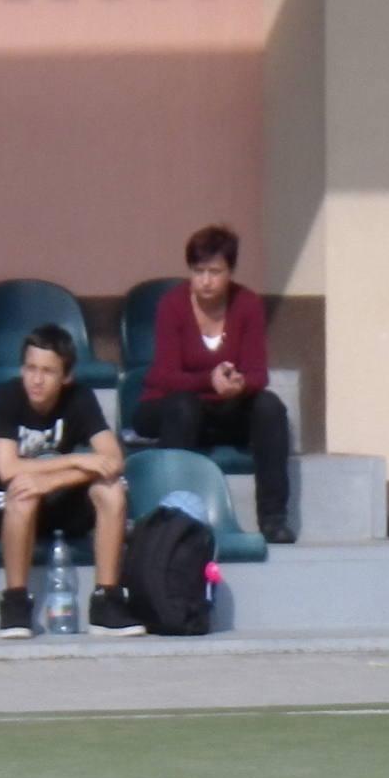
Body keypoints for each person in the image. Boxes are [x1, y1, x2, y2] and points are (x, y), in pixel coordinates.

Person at [0, 325, 143, 638]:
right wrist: (75, 460)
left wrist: (54, 481)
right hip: (13, 504)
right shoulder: (5, 395)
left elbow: (113, 459)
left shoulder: (80, 397)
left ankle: (106, 600)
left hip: (63, 500)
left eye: (48, 371)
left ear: (65, 377)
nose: (36, 380)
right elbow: (8, 468)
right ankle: (15, 601)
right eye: (30, 368)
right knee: (22, 489)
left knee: (111, 488)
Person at [133, 224, 294, 544]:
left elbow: (258, 374)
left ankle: (273, 518)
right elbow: (162, 375)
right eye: (198, 271)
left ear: (230, 271)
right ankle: (172, 518)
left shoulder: (247, 304)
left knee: (270, 406)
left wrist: (239, 385)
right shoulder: (172, 304)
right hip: (170, 406)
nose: (206, 281)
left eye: (215, 272)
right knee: (183, 406)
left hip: (224, 408)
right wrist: (208, 380)